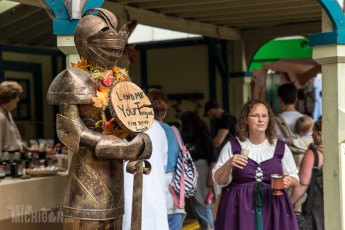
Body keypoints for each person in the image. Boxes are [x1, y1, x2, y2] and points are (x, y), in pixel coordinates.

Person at [46, 8, 153, 229]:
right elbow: (69, 128)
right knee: (87, 221)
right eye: (106, 47)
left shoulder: (120, 80)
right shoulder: (73, 78)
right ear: (85, 42)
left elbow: (132, 119)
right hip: (85, 172)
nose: (112, 54)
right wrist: (101, 143)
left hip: (115, 175)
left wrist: (139, 142)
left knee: (114, 222)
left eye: (116, 49)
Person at [212, 98, 299, 230]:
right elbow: (218, 180)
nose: (261, 120)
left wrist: (288, 181)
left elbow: (295, 177)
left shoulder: (280, 147)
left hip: (273, 205)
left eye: (264, 115)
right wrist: (229, 164)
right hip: (238, 208)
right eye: (255, 116)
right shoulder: (233, 146)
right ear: (246, 119)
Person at [146, 89, 186, 230]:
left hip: (150, 188)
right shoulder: (173, 131)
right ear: (165, 111)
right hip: (174, 188)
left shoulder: (142, 131)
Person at [122, 119, 169, 230]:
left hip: (130, 194)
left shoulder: (120, 125)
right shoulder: (158, 127)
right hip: (155, 194)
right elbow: (164, 164)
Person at [180, 111, 218, 230]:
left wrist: (211, 177)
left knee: (204, 205)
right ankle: (205, 227)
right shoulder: (186, 138)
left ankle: (209, 227)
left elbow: (213, 160)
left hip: (203, 175)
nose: (180, 127)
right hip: (191, 175)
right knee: (196, 206)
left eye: (182, 124)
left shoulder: (204, 137)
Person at [290, 119, 324, 230]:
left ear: (319, 134)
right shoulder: (340, 150)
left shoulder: (314, 153)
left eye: (313, 132)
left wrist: (288, 203)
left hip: (318, 208)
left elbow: (303, 183)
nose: (312, 136)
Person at [0, 81, 32, 157]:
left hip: (14, 158)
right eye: (17, 96)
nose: (18, 100)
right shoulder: (0, 116)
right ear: (10, 97)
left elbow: (14, 140)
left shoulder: (7, 113)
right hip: (5, 161)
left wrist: (27, 148)